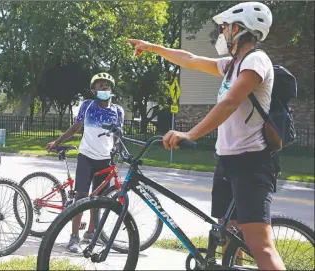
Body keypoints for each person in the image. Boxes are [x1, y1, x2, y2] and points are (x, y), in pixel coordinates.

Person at [127, 2, 285, 270]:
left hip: (252, 164)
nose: (221, 32)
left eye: (224, 27)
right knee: (229, 235)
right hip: (227, 161)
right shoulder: (231, 66)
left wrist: (190, 133)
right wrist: (152, 47)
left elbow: (231, 102)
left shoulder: (256, 61)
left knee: (262, 247)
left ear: (238, 29)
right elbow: (189, 59)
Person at [46, 72, 125, 253]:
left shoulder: (118, 111)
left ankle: (91, 233)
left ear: (111, 88)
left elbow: (118, 135)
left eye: (107, 84)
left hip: (105, 160)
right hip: (86, 158)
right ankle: (74, 236)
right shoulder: (88, 106)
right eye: (99, 85)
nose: (104, 87)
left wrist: (119, 151)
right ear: (93, 89)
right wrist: (57, 142)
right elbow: (75, 127)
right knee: (81, 198)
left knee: (99, 200)